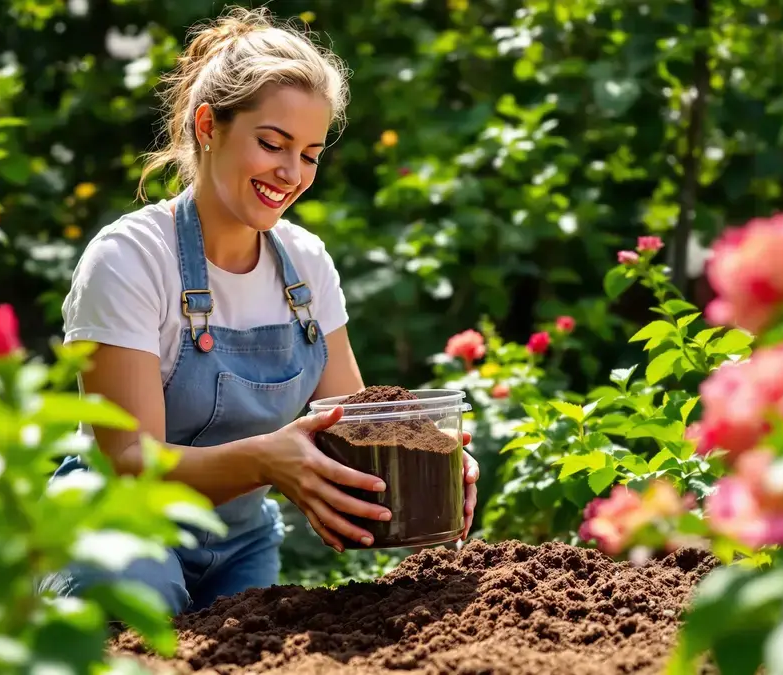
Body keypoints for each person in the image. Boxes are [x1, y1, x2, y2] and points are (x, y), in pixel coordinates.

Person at [41, 7, 479, 615]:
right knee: (142, 600)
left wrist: (427, 463)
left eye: (310, 154)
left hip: (239, 542)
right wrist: (267, 459)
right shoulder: (129, 258)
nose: (291, 173)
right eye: (272, 144)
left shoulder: (305, 263)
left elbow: (353, 427)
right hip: (117, 527)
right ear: (208, 126)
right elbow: (128, 458)